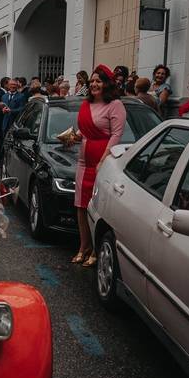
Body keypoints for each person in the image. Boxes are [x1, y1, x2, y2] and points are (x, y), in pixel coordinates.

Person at [66, 64, 125, 267]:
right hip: (83, 161)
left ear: (106, 84)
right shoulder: (85, 104)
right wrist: (74, 137)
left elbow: (116, 135)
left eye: (98, 81)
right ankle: (84, 247)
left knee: (97, 209)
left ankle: (97, 251)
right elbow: (85, 130)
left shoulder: (115, 105)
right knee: (81, 206)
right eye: (91, 81)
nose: (93, 84)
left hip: (103, 163)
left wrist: (103, 161)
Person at [0, 78, 26, 167]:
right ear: (8, 86)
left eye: (14, 85)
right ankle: (2, 161)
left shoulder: (21, 96)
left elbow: (22, 109)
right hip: (4, 123)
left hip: (15, 124)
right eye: (11, 85)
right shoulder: (4, 96)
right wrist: (1, 109)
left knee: (13, 144)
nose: (13, 86)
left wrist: (11, 111)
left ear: (17, 86)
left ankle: (12, 163)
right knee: (4, 143)